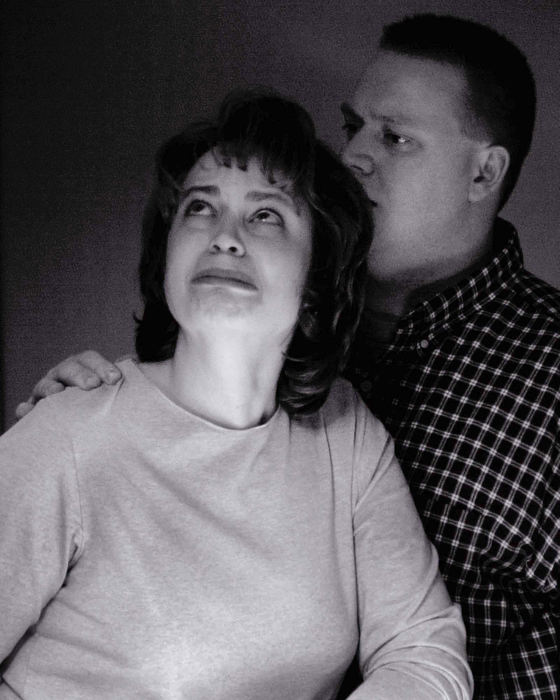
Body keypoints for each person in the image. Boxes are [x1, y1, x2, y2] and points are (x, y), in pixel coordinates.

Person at [21, 14, 560, 699]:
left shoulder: (530, 384)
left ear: (484, 171)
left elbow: (423, 650)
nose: (356, 155)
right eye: (352, 126)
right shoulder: (275, 331)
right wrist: (68, 430)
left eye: (395, 137)